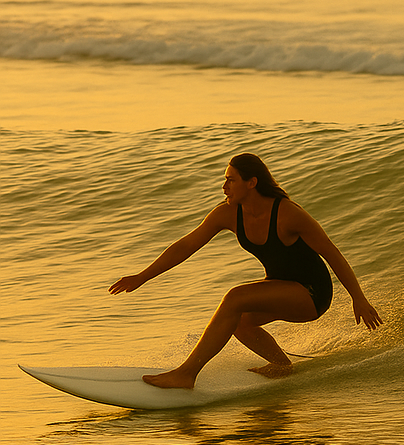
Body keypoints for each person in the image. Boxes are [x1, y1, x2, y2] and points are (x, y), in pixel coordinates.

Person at [110, 153, 382, 389]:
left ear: (251, 182)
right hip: (278, 285)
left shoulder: (288, 214)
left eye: (231, 180)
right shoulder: (228, 213)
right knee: (238, 320)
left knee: (235, 297)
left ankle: (186, 374)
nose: (224, 186)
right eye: (225, 179)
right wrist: (142, 276)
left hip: (312, 293)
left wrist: (358, 298)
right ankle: (281, 366)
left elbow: (332, 253)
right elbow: (186, 245)